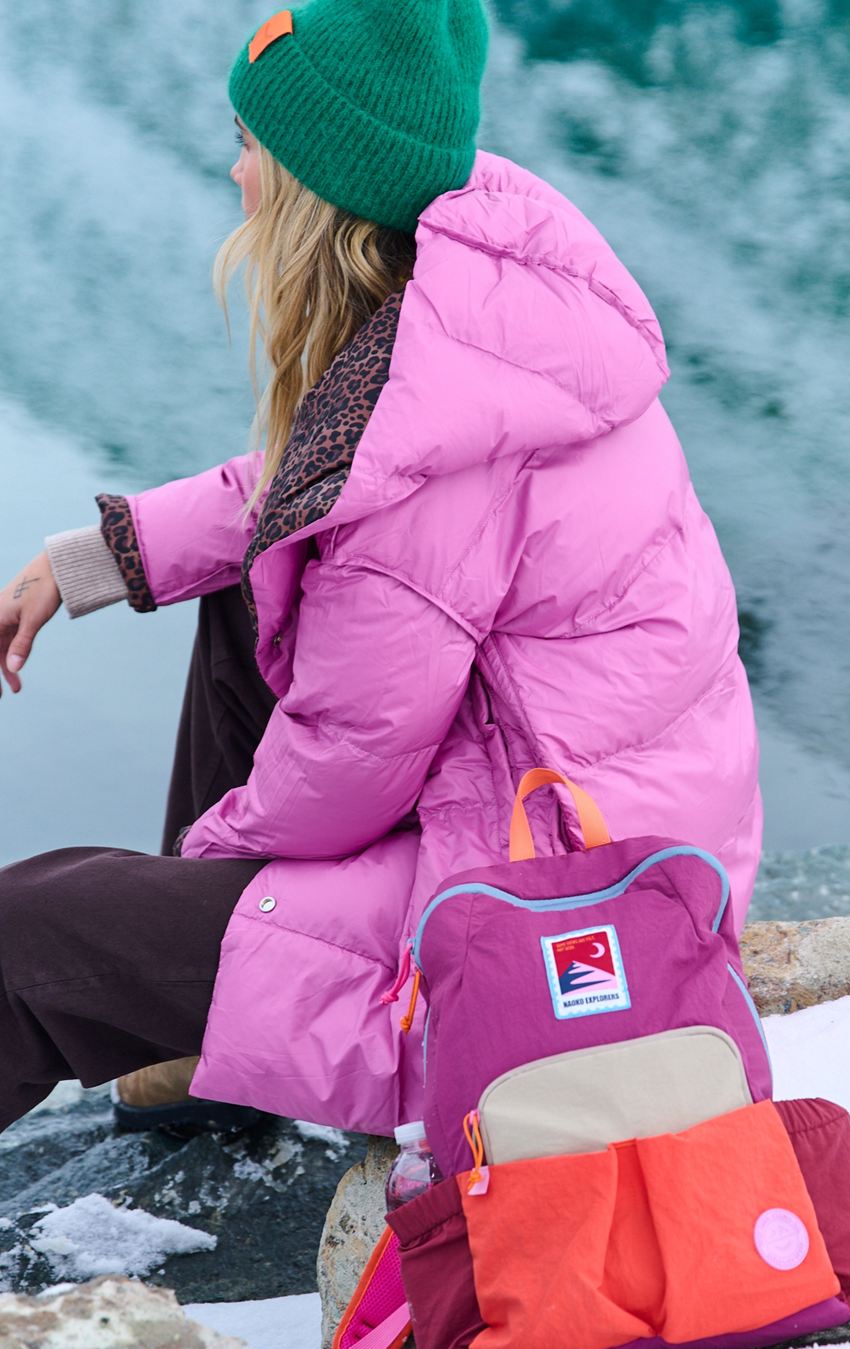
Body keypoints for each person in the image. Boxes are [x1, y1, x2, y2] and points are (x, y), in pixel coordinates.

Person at [0, 0, 762, 1137]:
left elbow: (345, 769)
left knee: (25, 935)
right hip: (613, 832)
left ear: (315, 192)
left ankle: (185, 1022)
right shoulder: (482, 312)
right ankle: (188, 1045)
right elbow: (305, 502)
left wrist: (188, 891)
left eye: (251, 147)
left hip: (531, 927)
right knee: (247, 599)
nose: (233, 172)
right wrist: (100, 558)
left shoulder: (423, 471)